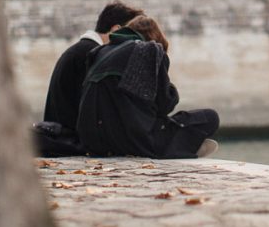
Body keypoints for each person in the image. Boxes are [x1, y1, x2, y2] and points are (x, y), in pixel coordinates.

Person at [76, 14, 219, 159]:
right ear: (156, 37)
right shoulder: (149, 49)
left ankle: (183, 146)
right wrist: (170, 88)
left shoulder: (99, 52)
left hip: (97, 144)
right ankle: (184, 147)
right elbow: (164, 104)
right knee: (210, 117)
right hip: (137, 142)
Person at [42, 0, 145, 133]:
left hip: (62, 135)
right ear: (116, 30)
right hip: (72, 139)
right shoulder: (93, 55)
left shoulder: (81, 50)